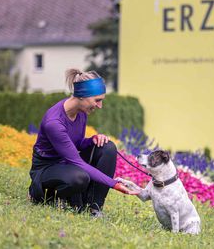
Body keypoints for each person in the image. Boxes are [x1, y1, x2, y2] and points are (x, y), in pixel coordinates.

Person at [28, 69, 137, 217]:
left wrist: (92, 141)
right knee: (80, 177)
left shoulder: (81, 112)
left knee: (107, 147)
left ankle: (94, 208)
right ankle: (40, 195)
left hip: (67, 164)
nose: (100, 106)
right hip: (47, 169)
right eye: (97, 100)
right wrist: (114, 184)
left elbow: (76, 143)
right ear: (82, 96)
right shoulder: (54, 123)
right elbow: (77, 161)